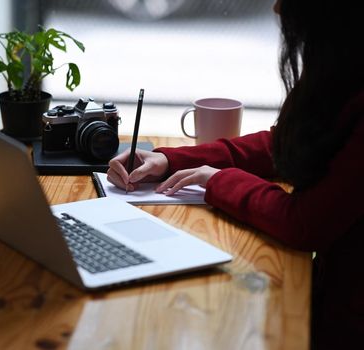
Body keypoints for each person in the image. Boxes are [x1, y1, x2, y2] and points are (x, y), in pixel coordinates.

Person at [107, 0, 364, 348]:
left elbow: (304, 223)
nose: (276, 8)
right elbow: (287, 144)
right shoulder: (347, 64)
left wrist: (216, 180)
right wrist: (169, 160)